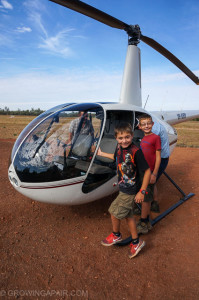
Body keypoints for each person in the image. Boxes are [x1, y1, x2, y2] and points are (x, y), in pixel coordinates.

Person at [97, 122, 151, 259]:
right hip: (123, 187)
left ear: (132, 136)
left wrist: (142, 191)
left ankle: (116, 235)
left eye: (127, 137)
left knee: (114, 213)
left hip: (130, 190)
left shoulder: (135, 152)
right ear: (116, 138)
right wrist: (102, 153)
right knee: (129, 216)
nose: (124, 140)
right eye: (121, 138)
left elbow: (147, 171)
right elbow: (115, 158)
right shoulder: (119, 148)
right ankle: (136, 242)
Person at [137, 113, 161, 234]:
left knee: (146, 196)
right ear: (140, 126)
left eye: (148, 124)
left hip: (150, 171)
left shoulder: (155, 137)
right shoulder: (143, 138)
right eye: (143, 124)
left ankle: (144, 221)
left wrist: (154, 174)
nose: (146, 126)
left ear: (152, 124)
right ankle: (144, 214)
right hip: (142, 170)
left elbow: (158, 157)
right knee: (144, 192)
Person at [151, 121, 170, 212]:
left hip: (160, 159)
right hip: (161, 158)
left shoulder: (154, 129)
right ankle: (154, 203)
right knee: (151, 182)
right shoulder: (155, 125)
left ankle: (150, 205)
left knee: (149, 182)